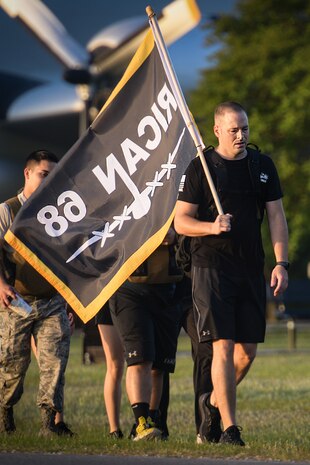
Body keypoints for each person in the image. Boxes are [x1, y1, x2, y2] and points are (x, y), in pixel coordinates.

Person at [174, 101, 289, 446]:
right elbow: (181, 221)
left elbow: (276, 217)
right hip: (211, 268)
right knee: (222, 346)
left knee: (246, 352)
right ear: (217, 131)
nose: (241, 135)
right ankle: (230, 429)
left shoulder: (261, 166)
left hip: (250, 268)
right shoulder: (201, 168)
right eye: (234, 129)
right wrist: (211, 226)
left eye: (245, 129)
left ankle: (212, 402)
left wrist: (281, 263)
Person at [0, 149, 72, 436]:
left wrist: (70, 299)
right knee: (12, 367)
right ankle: (5, 413)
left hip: (52, 301)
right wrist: (2, 285)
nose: (49, 181)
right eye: (44, 174)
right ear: (28, 173)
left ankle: (48, 425)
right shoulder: (7, 210)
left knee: (54, 364)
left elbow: (70, 258)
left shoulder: (60, 212)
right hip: (16, 302)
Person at [109, 227, 183, 441]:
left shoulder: (175, 195)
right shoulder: (126, 194)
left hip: (169, 287)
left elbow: (191, 222)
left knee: (159, 366)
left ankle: (152, 420)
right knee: (140, 359)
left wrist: (177, 233)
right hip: (130, 287)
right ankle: (141, 421)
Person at [30, 310, 75, 435]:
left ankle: (57, 423)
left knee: (56, 369)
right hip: (28, 304)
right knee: (49, 369)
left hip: (55, 305)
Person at [95, 302, 125, 439]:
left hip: (135, 296)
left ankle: (141, 423)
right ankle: (114, 430)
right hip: (106, 299)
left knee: (139, 362)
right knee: (115, 365)